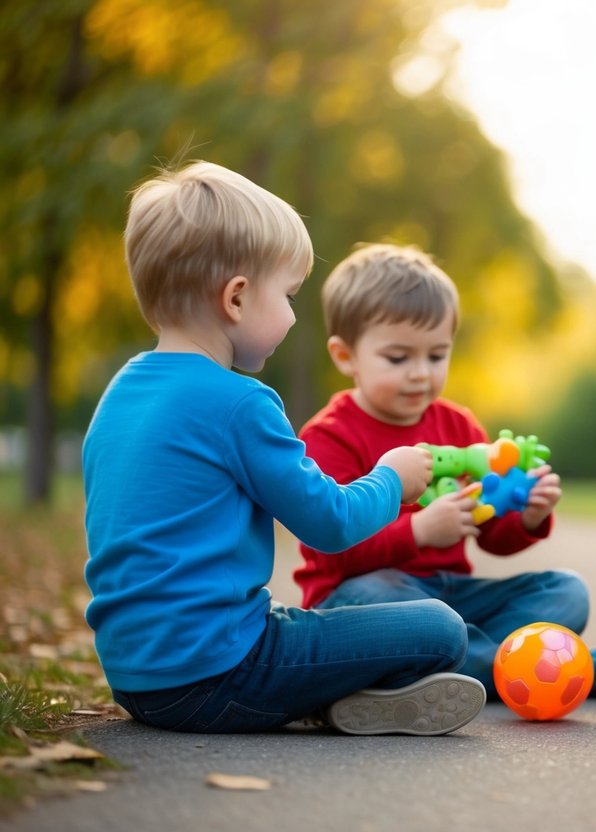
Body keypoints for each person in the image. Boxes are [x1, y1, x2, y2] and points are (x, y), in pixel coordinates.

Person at [82, 162, 486, 737]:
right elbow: (329, 523)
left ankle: (341, 699)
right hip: (221, 674)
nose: (295, 315)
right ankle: (341, 693)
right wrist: (392, 478)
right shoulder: (240, 403)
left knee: (328, 629)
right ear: (238, 299)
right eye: (290, 295)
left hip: (137, 679)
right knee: (442, 629)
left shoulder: (121, 393)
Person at [295, 243, 596, 698]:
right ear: (346, 356)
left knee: (567, 592)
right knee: (385, 600)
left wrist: (526, 516)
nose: (420, 374)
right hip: (364, 600)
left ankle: (436, 671)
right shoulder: (329, 436)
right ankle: (562, 673)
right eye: (398, 357)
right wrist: (421, 530)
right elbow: (332, 550)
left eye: (436, 355)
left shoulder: (458, 425)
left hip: (455, 596)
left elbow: (490, 533)